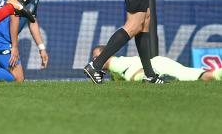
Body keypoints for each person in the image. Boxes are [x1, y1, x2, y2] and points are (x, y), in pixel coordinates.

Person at [91, 46, 222, 82]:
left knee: (191, 75)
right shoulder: (114, 71)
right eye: (94, 58)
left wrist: (146, 77)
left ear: (108, 54)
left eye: (98, 57)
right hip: (158, 65)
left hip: (159, 65)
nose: (96, 60)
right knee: (199, 77)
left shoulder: (116, 62)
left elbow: (136, 71)